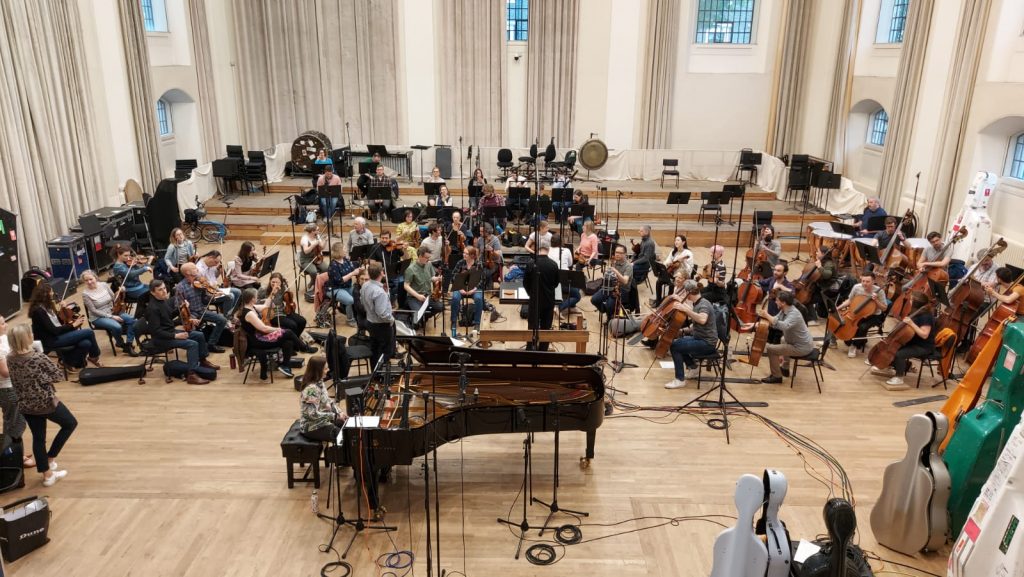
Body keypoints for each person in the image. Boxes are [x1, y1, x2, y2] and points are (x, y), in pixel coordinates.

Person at [6, 324, 77, 487]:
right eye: (30, 333)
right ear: (26, 338)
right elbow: (58, 376)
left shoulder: (10, 358)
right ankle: (50, 458)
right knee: (70, 424)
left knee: (38, 438)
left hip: (26, 404)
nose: (33, 334)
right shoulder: (37, 358)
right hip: (45, 402)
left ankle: (47, 475)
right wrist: (43, 378)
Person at [146, 279, 218, 385]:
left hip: (170, 333)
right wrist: (175, 336)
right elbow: (156, 332)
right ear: (153, 292)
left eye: (164, 288)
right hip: (162, 339)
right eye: (160, 290)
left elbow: (168, 318)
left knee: (199, 335)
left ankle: (202, 361)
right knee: (192, 344)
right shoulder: (152, 309)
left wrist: (182, 308)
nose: (164, 291)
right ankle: (191, 375)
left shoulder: (162, 301)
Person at [870, 291, 935, 389]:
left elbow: (924, 335)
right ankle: (889, 367)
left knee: (899, 354)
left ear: (916, 302)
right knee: (892, 348)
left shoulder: (926, 316)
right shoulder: (916, 311)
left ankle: (899, 377)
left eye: (911, 299)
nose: (910, 301)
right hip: (912, 341)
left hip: (923, 346)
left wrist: (911, 323)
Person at [28, 282, 101, 369]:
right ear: (45, 294)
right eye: (51, 292)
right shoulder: (38, 311)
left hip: (58, 335)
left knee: (86, 343)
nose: (52, 293)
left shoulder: (48, 306)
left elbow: (57, 321)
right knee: (89, 332)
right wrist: (73, 325)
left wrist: (63, 309)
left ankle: (67, 362)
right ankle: (94, 357)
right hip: (51, 340)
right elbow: (54, 330)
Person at [748, 291, 815, 384]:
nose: (775, 302)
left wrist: (767, 315)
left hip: (802, 347)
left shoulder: (794, 314)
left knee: (771, 349)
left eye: (777, 300)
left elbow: (783, 326)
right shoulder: (784, 310)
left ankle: (776, 376)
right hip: (797, 342)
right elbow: (775, 321)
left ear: (783, 303)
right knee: (783, 339)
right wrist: (756, 325)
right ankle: (785, 368)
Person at [237, 288, 305, 379]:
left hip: (260, 336)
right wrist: (278, 329)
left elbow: (266, 305)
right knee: (288, 332)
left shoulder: (252, 307)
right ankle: (304, 347)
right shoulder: (249, 314)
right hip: (257, 341)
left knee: (288, 342)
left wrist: (272, 293)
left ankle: (285, 365)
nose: (257, 298)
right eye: (256, 296)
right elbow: (264, 328)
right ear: (252, 299)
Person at [664, 280, 719, 389]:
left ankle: (679, 380)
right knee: (678, 342)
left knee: (675, 346)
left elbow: (702, 320)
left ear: (689, 292)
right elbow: (697, 325)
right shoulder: (698, 303)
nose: (684, 295)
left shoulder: (704, 304)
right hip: (699, 338)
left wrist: (686, 310)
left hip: (707, 343)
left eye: (684, 292)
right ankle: (693, 368)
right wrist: (683, 331)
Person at [175, 263, 230, 353]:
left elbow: (205, 300)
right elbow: (177, 305)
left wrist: (213, 295)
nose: (197, 269)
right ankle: (196, 349)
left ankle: (211, 344)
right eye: (194, 268)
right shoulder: (180, 287)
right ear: (188, 272)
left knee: (222, 320)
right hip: (190, 313)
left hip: (201, 310)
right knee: (191, 329)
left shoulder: (200, 282)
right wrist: (184, 305)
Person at [81, 269, 137, 356]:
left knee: (132, 320)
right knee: (117, 326)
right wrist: (111, 317)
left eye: (91, 279)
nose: (89, 282)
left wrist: (120, 292)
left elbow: (114, 298)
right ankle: (120, 343)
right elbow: (93, 311)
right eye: (86, 280)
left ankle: (129, 344)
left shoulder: (104, 285)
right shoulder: (85, 294)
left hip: (113, 310)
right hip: (98, 317)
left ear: (95, 278)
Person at [0, 316, 32, 468]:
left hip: (13, 386)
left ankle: (15, 453)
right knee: (15, 423)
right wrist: (22, 365)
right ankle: (13, 457)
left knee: (13, 422)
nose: (6, 325)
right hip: (7, 389)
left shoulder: (4, 339)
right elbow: (5, 372)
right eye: (2, 323)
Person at [837, 271, 889, 357]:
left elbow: (884, 308)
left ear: (873, 281)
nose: (864, 283)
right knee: (844, 321)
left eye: (867, 281)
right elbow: (850, 300)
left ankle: (854, 345)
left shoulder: (879, 291)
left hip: (874, 315)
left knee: (862, 327)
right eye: (863, 281)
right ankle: (839, 338)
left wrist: (876, 300)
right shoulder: (856, 287)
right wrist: (838, 308)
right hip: (858, 313)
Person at [259, 272, 317, 346]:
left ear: (281, 282)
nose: (275, 284)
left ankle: (296, 340)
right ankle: (296, 344)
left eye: (277, 282)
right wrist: (269, 296)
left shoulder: (282, 288)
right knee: (292, 325)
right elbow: (258, 302)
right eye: (273, 282)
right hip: (272, 314)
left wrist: (287, 290)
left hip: (283, 311)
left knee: (302, 321)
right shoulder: (263, 290)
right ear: (270, 280)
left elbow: (287, 298)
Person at [298, 356, 347, 442]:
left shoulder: (320, 382)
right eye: (325, 368)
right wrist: (334, 416)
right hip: (311, 427)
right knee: (342, 436)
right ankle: (338, 450)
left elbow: (328, 401)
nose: (328, 370)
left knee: (347, 426)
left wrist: (339, 413)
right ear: (318, 370)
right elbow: (312, 415)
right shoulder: (311, 390)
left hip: (322, 420)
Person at [523, 243, 560, 350]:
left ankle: (530, 348)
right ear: (548, 250)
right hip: (548, 300)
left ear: (537, 250)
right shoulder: (553, 264)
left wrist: (531, 293)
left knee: (532, 326)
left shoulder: (531, 264)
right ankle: (543, 350)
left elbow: (525, 283)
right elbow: (556, 283)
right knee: (546, 326)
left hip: (535, 300)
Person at [361, 263, 395, 366]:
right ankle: (382, 372)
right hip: (382, 326)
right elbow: (382, 313)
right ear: (381, 273)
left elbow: (362, 301)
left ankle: (375, 372)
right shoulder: (379, 292)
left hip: (370, 322)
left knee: (375, 349)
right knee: (385, 351)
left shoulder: (365, 285)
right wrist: (391, 319)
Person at [449, 246, 486, 338]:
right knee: (455, 298)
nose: (464, 255)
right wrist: (460, 288)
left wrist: (474, 289)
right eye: (464, 253)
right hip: (461, 287)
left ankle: (477, 323)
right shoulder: (460, 263)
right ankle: (453, 321)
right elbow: (454, 277)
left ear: (472, 255)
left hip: (474, 288)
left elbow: (482, 279)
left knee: (478, 298)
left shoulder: (478, 264)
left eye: (466, 253)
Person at [323, 243, 362, 325]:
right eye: (344, 249)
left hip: (346, 286)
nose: (346, 250)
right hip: (334, 289)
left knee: (359, 295)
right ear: (339, 251)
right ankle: (350, 320)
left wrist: (360, 268)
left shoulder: (345, 260)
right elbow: (339, 281)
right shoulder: (333, 265)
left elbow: (353, 267)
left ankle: (358, 315)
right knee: (350, 300)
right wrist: (352, 273)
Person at [404, 246, 444, 323]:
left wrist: (437, 278)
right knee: (419, 314)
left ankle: (425, 318)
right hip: (414, 297)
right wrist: (418, 296)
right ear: (420, 256)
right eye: (426, 257)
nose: (428, 259)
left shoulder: (428, 264)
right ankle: (419, 319)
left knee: (441, 307)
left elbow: (431, 278)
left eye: (429, 257)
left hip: (427, 296)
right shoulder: (410, 269)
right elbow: (406, 285)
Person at [591, 244, 633, 316]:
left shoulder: (628, 266)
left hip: (622, 290)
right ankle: (606, 311)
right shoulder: (615, 262)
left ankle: (610, 317)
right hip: (611, 287)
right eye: (616, 252)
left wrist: (615, 271)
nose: (617, 254)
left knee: (610, 305)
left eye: (620, 253)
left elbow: (625, 281)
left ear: (625, 254)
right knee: (594, 299)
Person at [197, 250, 241, 315]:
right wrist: (216, 290)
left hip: (215, 289)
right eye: (216, 262)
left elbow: (213, 276)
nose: (216, 264)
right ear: (210, 257)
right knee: (230, 296)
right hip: (208, 294)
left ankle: (230, 313)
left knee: (237, 291)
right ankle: (226, 317)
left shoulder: (210, 265)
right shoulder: (199, 269)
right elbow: (204, 287)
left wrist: (218, 270)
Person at [653, 235, 694, 305]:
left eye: (678, 240)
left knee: (671, 284)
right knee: (659, 281)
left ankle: (668, 303)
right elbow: (666, 261)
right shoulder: (673, 251)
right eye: (675, 240)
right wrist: (667, 264)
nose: (676, 242)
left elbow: (689, 269)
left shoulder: (688, 253)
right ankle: (658, 300)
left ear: (683, 242)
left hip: (682, 276)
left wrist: (683, 262)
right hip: (672, 273)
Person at [550, 234, 580, 315]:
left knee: (574, 287)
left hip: (551, 281)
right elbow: (570, 264)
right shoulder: (566, 250)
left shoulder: (548, 250)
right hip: (563, 281)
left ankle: (571, 306)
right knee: (577, 295)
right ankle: (560, 307)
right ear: (561, 242)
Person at [476, 223, 503, 290]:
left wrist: (492, 250)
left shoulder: (495, 240)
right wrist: (477, 258)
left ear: (487, 232)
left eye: (482, 231)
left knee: (485, 273)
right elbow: (477, 250)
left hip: (493, 262)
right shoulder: (480, 239)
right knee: (475, 271)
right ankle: (488, 288)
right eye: (480, 231)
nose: (480, 233)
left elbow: (498, 255)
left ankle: (479, 288)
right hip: (483, 261)